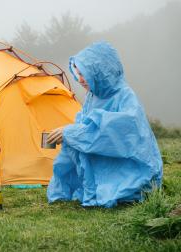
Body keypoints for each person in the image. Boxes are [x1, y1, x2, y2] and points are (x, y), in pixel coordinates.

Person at [46, 41, 163, 208]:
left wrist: (72, 133)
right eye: (77, 74)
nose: (80, 80)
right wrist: (69, 134)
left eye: (84, 74)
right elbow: (85, 126)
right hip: (102, 158)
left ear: (100, 72)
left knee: (74, 138)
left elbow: (121, 132)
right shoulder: (93, 96)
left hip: (130, 163)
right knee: (72, 143)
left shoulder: (124, 95)